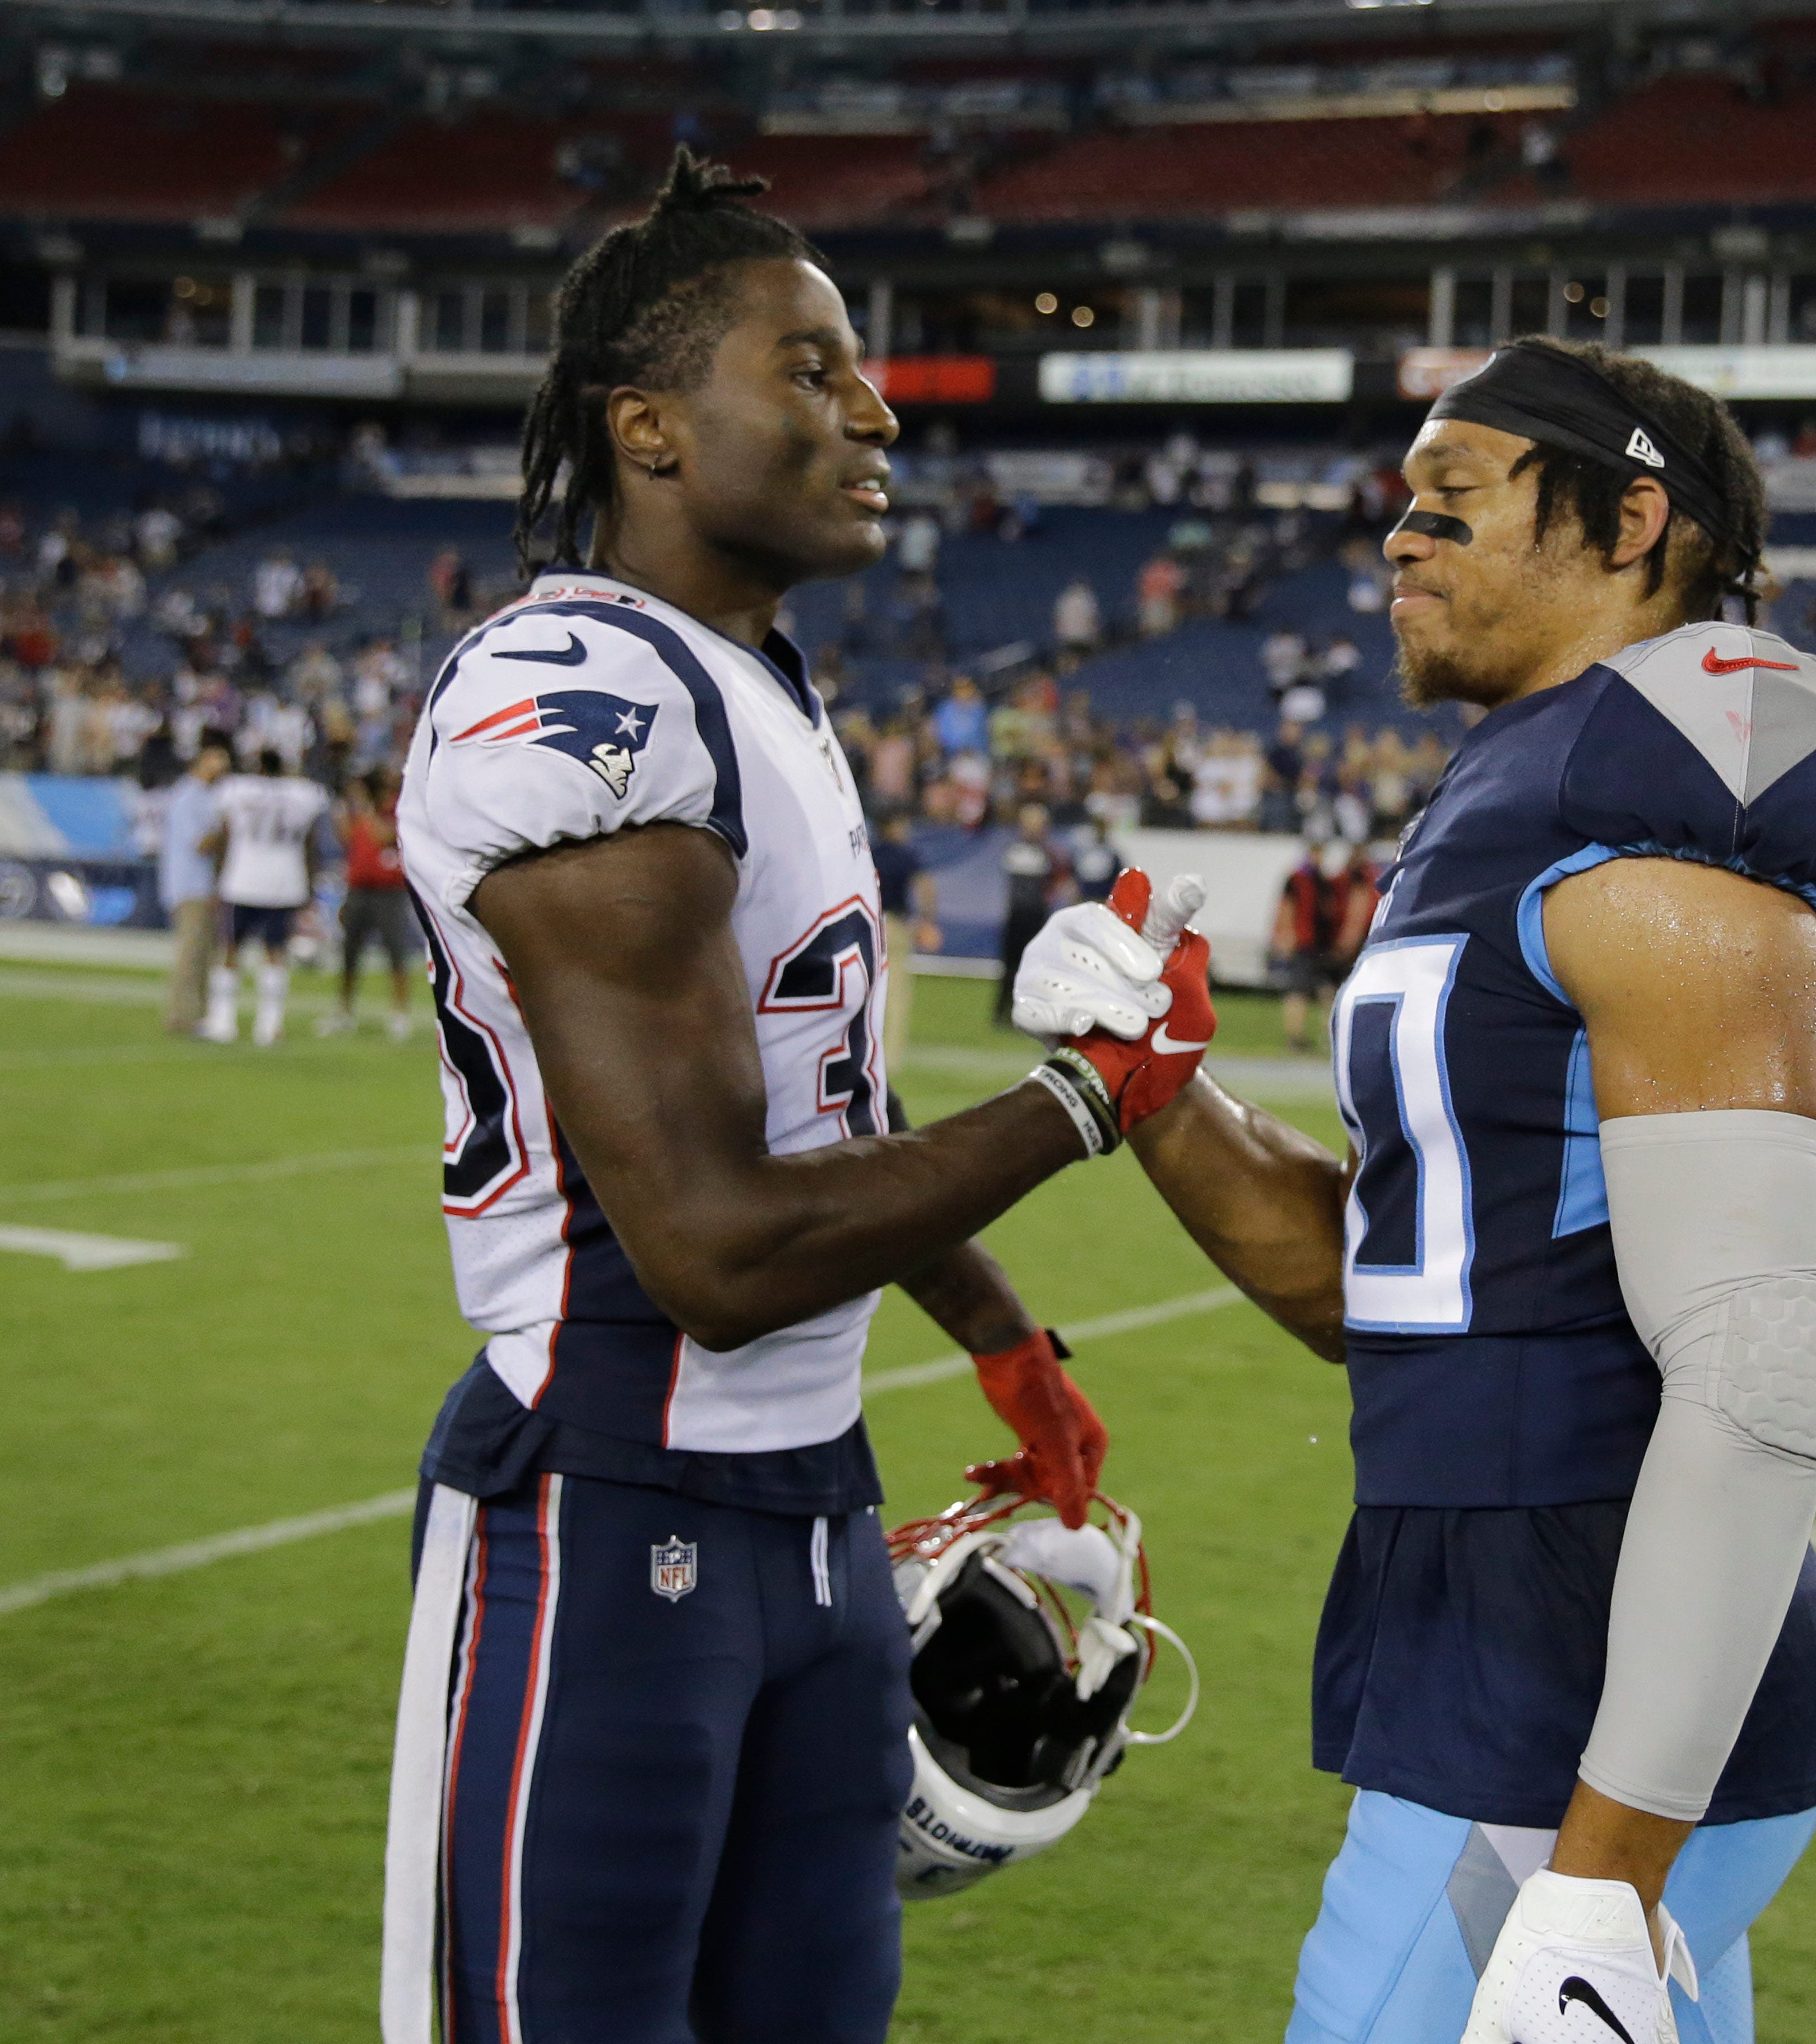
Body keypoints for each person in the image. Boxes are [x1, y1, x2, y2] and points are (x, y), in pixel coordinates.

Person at [379, 151, 1216, 2044]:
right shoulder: (570, 684)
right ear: (652, 427)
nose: (875, 404)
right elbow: (715, 1247)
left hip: (815, 1508)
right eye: (814, 366)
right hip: (599, 1505)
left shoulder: (752, 678)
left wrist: (1005, 1342)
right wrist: (1087, 1097)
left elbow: (816, 1088)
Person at [1013, 338, 1816, 2044]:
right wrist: (1158, 1088)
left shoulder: (1670, 806)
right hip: (1511, 1616)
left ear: (1634, 519)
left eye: (1453, 500)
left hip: (1583, 1665)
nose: (1398, 542)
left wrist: (1607, 1871)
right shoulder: (1523, 789)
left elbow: (1765, 1361)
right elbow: (1391, 1283)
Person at [201, 747, 328, 1046]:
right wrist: (310, 885)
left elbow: (226, 835)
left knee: (230, 951)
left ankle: (223, 1021)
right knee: (275, 954)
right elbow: (311, 842)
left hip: (242, 880)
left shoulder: (236, 790)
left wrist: (217, 882)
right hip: (284, 883)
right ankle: (269, 1026)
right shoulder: (303, 794)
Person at [326, 767, 417, 1039]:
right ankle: (344, 1012)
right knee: (350, 954)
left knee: (396, 954)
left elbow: (383, 837)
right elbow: (345, 838)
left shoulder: (395, 809)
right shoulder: (359, 813)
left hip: (388, 892)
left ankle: (400, 1015)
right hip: (358, 889)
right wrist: (345, 807)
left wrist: (364, 807)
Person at [1272, 837, 1374, 1053]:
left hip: (1323, 944)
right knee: (1300, 990)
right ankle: (1296, 1036)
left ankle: (1331, 1035)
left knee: (1331, 991)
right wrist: (1285, 935)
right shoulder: (1299, 879)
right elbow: (1287, 908)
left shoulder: (1324, 880)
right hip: (1305, 942)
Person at [160, 735, 233, 1033]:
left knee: (206, 955)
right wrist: (229, 831)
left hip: (206, 887)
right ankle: (180, 1016)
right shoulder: (188, 796)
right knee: (190, 954)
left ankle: (203, 1015)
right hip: (191, 886)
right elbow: (200, 844)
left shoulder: (207, 796)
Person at [870, 810, 936, 1067]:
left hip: (869, 923)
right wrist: (927, 920)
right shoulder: (905, 855)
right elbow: (926, 887)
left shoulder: (869, 852)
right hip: (895, 926)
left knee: (867, 989)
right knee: (896, 992)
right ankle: (890, 1056)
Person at [994, 800, 1065, 1024]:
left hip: (1037, 916)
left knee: (1034, 968)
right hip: (1016, 916)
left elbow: (1060, 881)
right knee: (1009, 965)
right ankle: (1002, 1011)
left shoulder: (1049, 853)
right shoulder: (1013, 850)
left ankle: (1029, 1012)